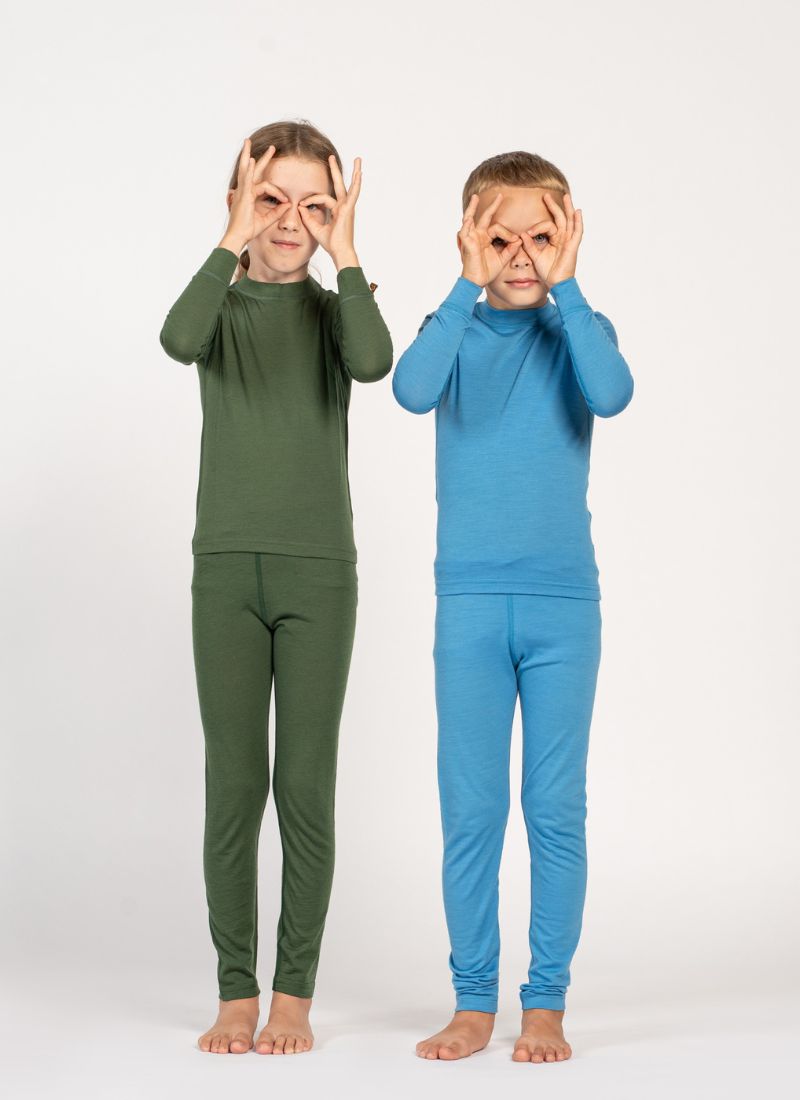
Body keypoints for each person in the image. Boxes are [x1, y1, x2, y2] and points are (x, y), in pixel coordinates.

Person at [392, 151, 633, 1063]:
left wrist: (570, 291)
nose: (522, 255)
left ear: (568, 237)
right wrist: (465, 286)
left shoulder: (582, 329)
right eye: (501, 239)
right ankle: (471, 1001)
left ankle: (546, 1003)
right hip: (469, 604)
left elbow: (613, 393)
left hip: (563, 607)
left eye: (541, 236)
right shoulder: (449, 328)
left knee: (554, 809)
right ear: (469, 238)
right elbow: (410, 390)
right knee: (473, 809)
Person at [159, 120, 392, 1055]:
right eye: (272, 199)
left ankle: (293, 993)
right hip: (225, 571)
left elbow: (374, 362)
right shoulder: (217, 309)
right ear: (239, 202)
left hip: (318, 575)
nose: (292, 219)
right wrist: (231, 238)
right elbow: (176, 337)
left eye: (315, 205)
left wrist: (348, 254)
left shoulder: (336, 314)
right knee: (233, 786)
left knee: (302, 786)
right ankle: (234, 990)